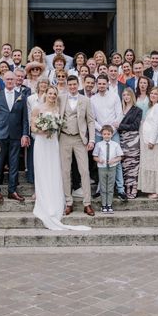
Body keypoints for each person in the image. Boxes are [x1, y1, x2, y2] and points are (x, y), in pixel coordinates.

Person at [31, 86, 90, 230]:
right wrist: (43, 129)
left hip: (53, 143)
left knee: (55, 170)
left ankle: (56, 200)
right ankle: (43, 200)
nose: (52, 95)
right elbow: (32, 128)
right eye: (50, 93)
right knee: (42, 170)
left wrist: (52, 128)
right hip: (41, 143)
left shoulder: (59, 108)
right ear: (46, 94)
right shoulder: (37, 108)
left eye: (54, 93)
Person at [0, 71, 30, 202]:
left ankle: (12, 190)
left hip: (16, 135)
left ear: (16, 80)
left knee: (14, 164)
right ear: (3, 80)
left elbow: (25, 118)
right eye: (7, 79)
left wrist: (25, 134)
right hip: (0, 134)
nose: (10, 81)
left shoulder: (21, 96)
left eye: (12, 79)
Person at [59, 75, 96, 216]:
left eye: (75, 84)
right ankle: (69, 202)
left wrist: (91, 139)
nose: (73, 87)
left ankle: (87, 203)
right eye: (71, 85)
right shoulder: (61, 98)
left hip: (80, 139)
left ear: (78, 84)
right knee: (65, 171)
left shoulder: (85, 100)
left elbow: (91, 121)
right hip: (64, 137)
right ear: (67, 85)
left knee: (84, 171)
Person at [91, 74, 127, 200]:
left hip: (113, 133)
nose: (101, 86)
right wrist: (102, 129)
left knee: (116, 160)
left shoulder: (114, 96)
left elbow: (120, 114)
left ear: (107, 84)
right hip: (99, 133)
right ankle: (101, 189)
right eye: (99, 83)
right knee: (101, 161)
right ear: (97, 84)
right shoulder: (93, 99)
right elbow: (92, 118)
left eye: (103, 83)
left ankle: (121, 189)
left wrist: (112, 130)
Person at [137, 86, 158, 199]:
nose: (153, 95)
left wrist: (152, 140)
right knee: (150, 165)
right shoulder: (152, 107)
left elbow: (157, 125)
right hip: (146, 141)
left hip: (153, 142)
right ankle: (152, 188)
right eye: (152, 93)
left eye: (155, 94)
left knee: (156, 166)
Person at [93, 125, 124, 214]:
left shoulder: (115, 145)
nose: (106, 135)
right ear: (102, 134)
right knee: (103, 187)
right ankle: (103, 205)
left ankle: (109, 205)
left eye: (108, 134)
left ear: (112, 134)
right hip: (102, 168)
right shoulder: (99, 145)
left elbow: (120, 157)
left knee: (110, 186)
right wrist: (99, 160)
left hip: (112, 167)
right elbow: (94, 156)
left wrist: (114, 160)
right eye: (104, 134)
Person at [117, 88, 142, 199]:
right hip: (122, 139)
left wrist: (120, 126)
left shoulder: (137, 110)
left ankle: (134, 187)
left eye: (128, 95)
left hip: (133, 140)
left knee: (134, 164)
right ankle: (127, 187)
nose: (126, 97)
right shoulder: (120, 109)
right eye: (124, 95)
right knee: (126, 165)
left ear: (132, 96)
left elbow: (135, 126)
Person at [26, 77, 50, 185]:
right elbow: (28, 115)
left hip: (46, 132)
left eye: (46, 83)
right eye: (42, 83)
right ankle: (32, 177)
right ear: (38, 84)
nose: (43, 85)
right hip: (34, 131)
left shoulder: (50, 98)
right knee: (33, 155)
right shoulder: (31, 98)